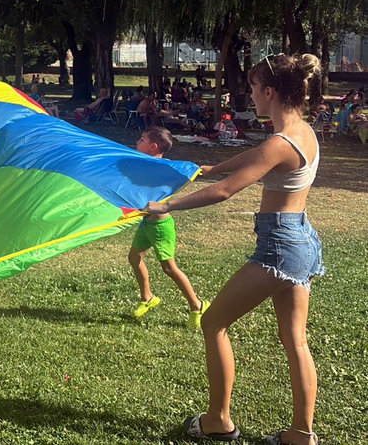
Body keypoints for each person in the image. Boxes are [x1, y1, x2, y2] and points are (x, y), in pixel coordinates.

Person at [145, 53, 324, 445]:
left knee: (214, 323)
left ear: (270, 92)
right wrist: (215, 166)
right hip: (302, 241)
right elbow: (253, 159)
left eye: (254, 89)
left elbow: (228, 192)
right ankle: (301, 435)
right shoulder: (303, 131)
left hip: (279, 247)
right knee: (295, 341)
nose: (250, 96)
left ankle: (218, 421)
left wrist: (168, 205)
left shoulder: (280, 141)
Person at [128, 127, 208, 328]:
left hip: (161, 226)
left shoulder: (163, 167)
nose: (137, 142)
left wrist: (194, 169)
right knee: (134, 257)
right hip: (147, 222)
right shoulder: (142, 163)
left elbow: (179, 171)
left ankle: (197, 305)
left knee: (169, 268)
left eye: (142, 139)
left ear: (153, 146)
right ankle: (147, 298)